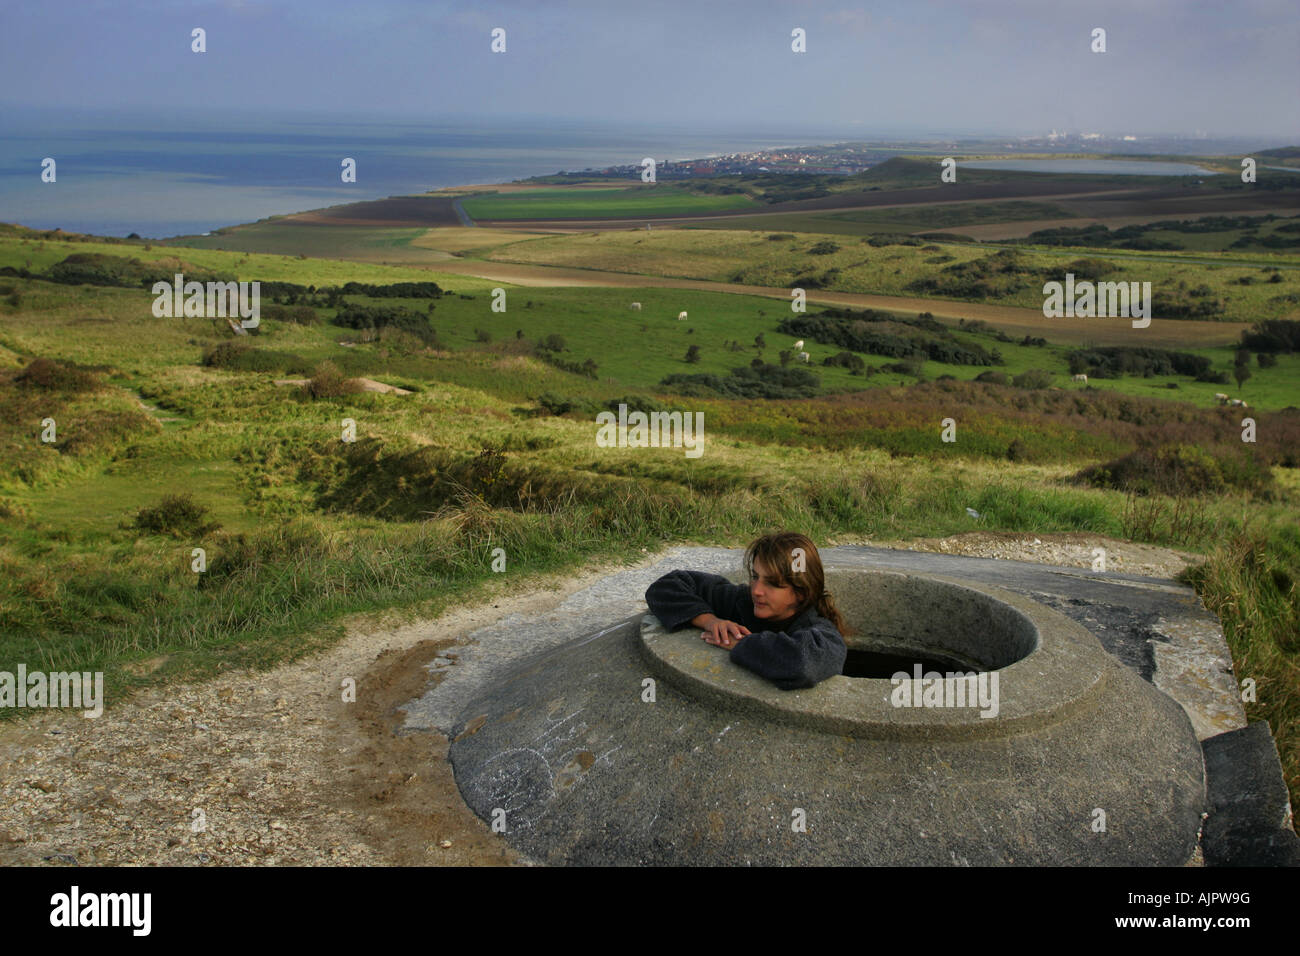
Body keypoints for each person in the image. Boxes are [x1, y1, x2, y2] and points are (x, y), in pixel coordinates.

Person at [644, 531, 848, 690]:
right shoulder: (742, 601)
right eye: (755, 576)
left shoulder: (821, 631)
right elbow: (666, 586)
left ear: (802, 592)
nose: (757, 590)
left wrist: (741, 644)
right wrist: (710, 621)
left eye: (773, 584)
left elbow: (803, 663)